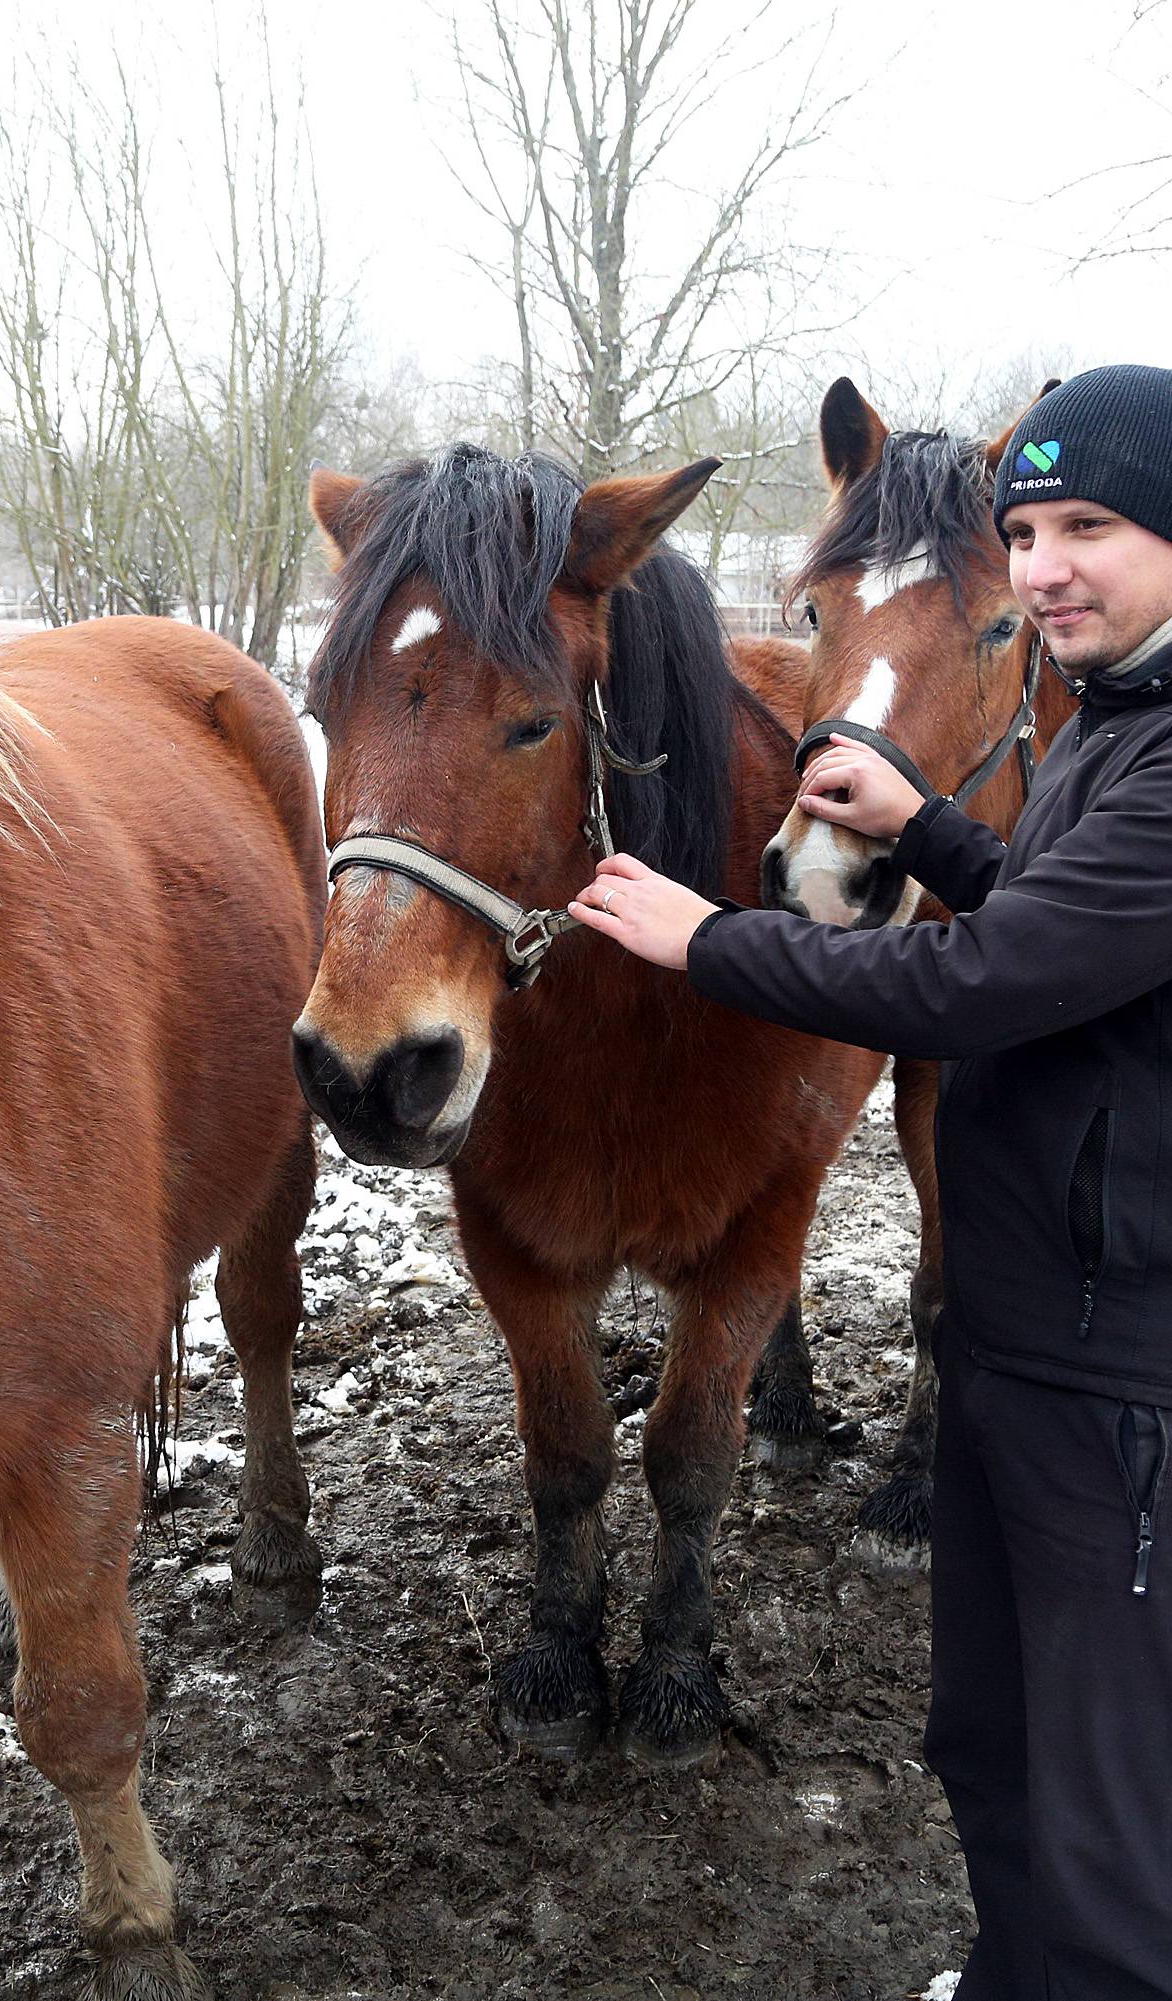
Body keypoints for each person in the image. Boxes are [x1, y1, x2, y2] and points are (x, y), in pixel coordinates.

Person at [566, 363, 1172, 2001]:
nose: (1048, 564)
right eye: (1028, 529)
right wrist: (928, 823)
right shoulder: (1110, 724)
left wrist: (715, 940)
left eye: (1093, 527)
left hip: (1124, 1376)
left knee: (1118, 1814)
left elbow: (982, 985)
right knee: (988, 1733)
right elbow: (1047, 907)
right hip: (1017, 1328)